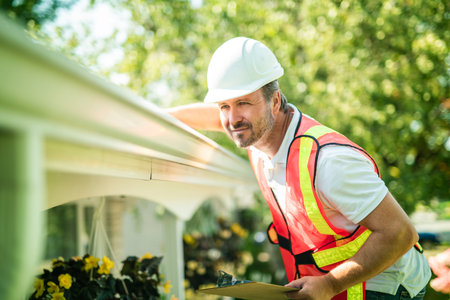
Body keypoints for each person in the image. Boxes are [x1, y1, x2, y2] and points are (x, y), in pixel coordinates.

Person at [168, 37, 431, 300]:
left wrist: (329, 284)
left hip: (387, 287)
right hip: (336, 284)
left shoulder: (328, 161)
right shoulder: (257, 135)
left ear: (274, 101)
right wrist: (155, 115)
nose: (233, 118)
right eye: (224, 105)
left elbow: (400, 233)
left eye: (244, 103)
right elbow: (223, 117)